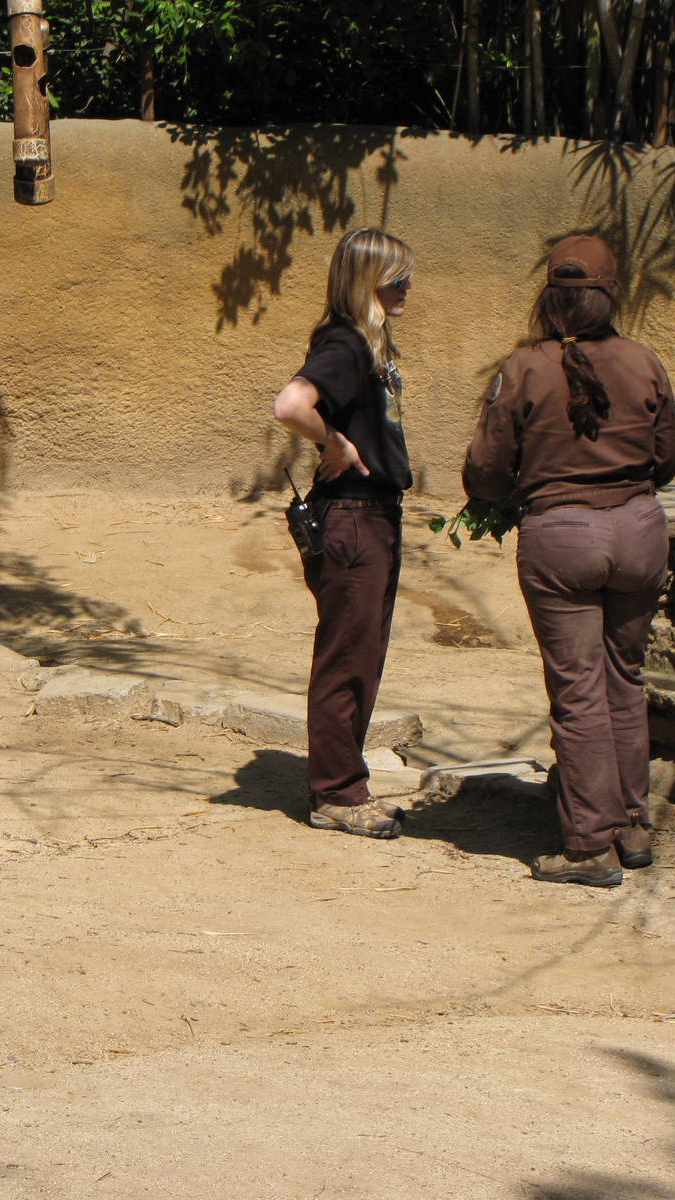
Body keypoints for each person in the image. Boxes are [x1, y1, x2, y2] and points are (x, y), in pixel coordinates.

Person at [463, 234, 675, 887]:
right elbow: (669, 459)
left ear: (549, 297)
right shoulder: (645, 362)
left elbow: (484, 472)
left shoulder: (523, 368)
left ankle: (587, 846)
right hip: (639, 531)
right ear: (612, 293)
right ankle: (633, 829)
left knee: (578, 688)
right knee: (625, 678)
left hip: (561, 537)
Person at [272, 228, 416, 839]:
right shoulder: (346, 343)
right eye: (396, 277)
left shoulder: (369, 345)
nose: (408, 287)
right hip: (353, 519)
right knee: (347, 660)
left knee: (364, 657)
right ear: (367, 282)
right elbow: (289, 404)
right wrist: (332, 440)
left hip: (372, 516)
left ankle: (344, 782)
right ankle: (335, 794)